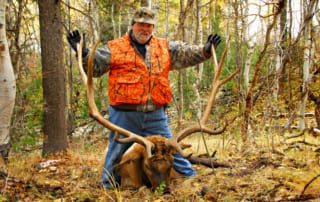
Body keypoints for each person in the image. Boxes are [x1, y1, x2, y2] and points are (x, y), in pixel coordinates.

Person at [67, 7, 221, 189]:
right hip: (124, 116)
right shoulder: (115, 48)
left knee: (173, 151)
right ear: (132, 25)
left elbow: (186, 53)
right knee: (117, 152)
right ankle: (108, 187)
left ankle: (191, 182)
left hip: (155, 115)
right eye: (141, 25)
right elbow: (96, 67)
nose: (145, 29)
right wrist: (83, 52)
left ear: (153, 28)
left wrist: (205, 50)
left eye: (149, 26)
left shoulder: (164, 48)